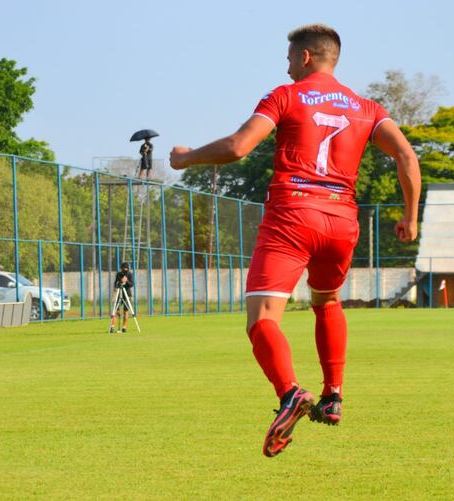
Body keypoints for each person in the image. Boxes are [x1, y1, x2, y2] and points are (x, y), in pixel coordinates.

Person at [169, 24, 421, 457]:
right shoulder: (367, 108)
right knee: (327, 301)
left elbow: (238, 146)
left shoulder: (285, 96)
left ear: (305, 57)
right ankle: (334, 395)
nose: (286, 68)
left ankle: (290, 393)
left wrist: (186, 158)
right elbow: (405, 155)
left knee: (262, 318)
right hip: (342, 219)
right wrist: (410, 217)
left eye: (289, 59)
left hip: (293, 212)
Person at [110, 262, 134, 333]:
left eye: (126, 268)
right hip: (119, 293)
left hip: (127, 294)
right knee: (115, 310)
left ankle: (124, 327)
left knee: (125, 311)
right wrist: (116, 286)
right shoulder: (118, 274)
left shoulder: (130, 274)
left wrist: (126, 281)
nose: (124, 270)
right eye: (123, 268)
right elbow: (116, 283)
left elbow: (132, 284)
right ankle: (112, 327)